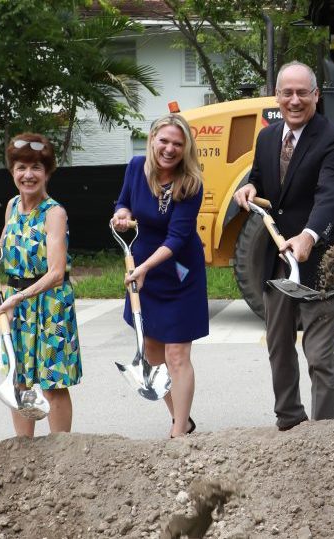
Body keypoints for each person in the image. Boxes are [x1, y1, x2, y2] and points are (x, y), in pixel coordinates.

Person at [233, 61, 334, 431]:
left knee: (318, 355)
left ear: (316, 95)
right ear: (277, 96)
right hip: (278, 259)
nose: (295, 100)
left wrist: (309, 235)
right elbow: (262, 181)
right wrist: (250, 188)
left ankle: (322, 433)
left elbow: (330, 196)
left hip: (321, 257)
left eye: (303, 92)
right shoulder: (268, 137)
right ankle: (289, 420)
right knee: (278, 346)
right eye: (288, 92)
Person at [111, 113, 208, 438]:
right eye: (164, 140)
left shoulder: (191, 183)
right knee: (152, 351)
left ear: (186, 148)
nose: (169, 148)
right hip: (144, 271)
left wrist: (145, 268)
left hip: (179, 273)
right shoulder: (136, 167)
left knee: (177, 353)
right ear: (152, 139)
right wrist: (121, 214)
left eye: (177, 144)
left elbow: (178, 238)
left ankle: (179, 434)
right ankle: (182, 416)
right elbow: (123, 202)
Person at [0, 133, 82, 437]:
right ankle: (23, 451)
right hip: (17, 303)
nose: (28, 175)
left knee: (53, 385)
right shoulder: (12, 207)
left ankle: (61, 452)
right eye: (21, 167)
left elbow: (56, 273)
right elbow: (12, 249)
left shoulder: (54, 213)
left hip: (50, 305)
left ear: (47, 172)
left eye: (36, 167)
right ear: (12, 172)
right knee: (18, 379)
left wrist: (17, 298)